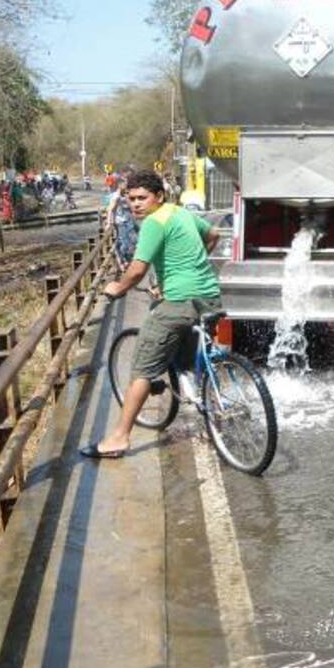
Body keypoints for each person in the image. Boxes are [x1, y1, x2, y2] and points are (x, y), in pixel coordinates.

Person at [83, 169, 223, 459]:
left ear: (158, 196)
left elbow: (137, 270)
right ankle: (216, 409)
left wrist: (116, 289)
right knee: (191, 355)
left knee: (143, 369)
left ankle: (119, 438)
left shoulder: (153, 223)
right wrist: (190, 268)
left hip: (180, 302)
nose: (135, 204)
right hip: (209, 296)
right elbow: (214, 234)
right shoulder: (180, 212)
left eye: (142, 198)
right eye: (131, 199)